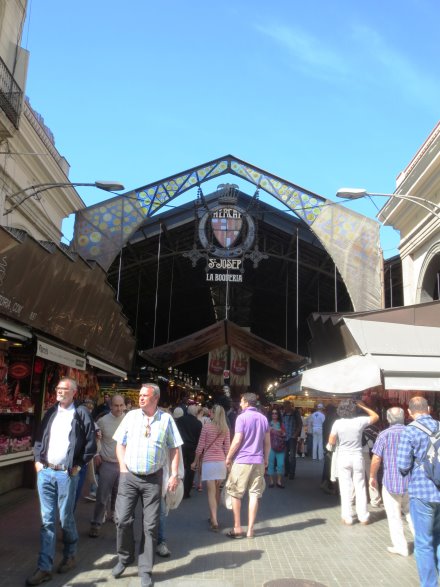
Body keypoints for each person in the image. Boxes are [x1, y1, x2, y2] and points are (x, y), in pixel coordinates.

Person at [26, 378, 97, 586]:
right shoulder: (51, 411)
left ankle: (70, 554)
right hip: (46, 472)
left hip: (66, 474)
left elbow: (91, 445)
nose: (59, 392)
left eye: (64, 389)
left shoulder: (81, 413)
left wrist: (77, 465)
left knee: (65, 518)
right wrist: (38, 461)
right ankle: (44, 567)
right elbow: (39, 438)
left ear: (74, 392)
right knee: (47, 521)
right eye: (58, 388)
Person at [112, 383, 183, 587]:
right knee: (122, 519)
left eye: (145, 395)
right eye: (140, 395)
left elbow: (175, 448)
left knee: (150, 526)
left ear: (155, 399)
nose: (141, 398)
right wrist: (122, 468)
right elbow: (120, 443)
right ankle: (125, 558)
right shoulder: (131, 416)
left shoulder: (166, 419)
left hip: (153, 479)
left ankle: (145, 569)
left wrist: (174, 475)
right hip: (130, 476)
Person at [397, 396, 440, 586]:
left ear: (409, 412)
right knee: (438, 538)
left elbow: (402, 465)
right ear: (429, 409)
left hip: (421, 492)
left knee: (423, 542)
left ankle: (429, 584)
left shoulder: (410, 431)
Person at [369, 407, 414, 557]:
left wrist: (372, 476)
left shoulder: (384, 435)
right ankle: (421, 544)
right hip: (411, 481)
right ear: (404, 417)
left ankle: (401, 547)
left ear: (388, 419)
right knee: (411, 514)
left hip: (390, 481)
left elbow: (376, 458)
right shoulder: (412, 433)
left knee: (394, 516)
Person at [225, 392, 270, 539]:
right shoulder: (263, 418)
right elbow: (267, 442)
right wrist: (266, 459)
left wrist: (229, 456)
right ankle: (250, 530)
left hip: (242, 461)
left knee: (236, 494)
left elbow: (237, 440)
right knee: (254, 495)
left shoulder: (241, 418)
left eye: (242, 401)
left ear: (246, 403)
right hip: (258, 461)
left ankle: (237, 528)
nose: (240, 404)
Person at [328, 399, 379, 526]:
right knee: (360, 486)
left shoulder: (337, 423)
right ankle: (363, 516)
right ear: (354, 410)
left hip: (343, 457)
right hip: (357, 457)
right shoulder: (360, 421)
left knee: (345, 488)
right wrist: (363, 406)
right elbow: (375, 416)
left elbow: (332, 441)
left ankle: (348, 517)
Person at [89, 394, 126, 537]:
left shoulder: (129, 420)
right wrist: (96, 455)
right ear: (110, 406)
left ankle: (114, 515)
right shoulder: (103, 421)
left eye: (121, 405)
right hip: (108, 463)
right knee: (102, 495)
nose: (119, 408)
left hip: (123, 464)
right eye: (116, 405)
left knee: (119, 494)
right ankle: (96, 523)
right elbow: (96, 439)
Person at [191, 404, 230, 531]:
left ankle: (214, 520)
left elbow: (200, 446)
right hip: (220, 462)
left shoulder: (206, 427)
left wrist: (195, 461)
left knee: (211, 493)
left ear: (213, 414)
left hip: (208, 462)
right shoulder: (225, 429)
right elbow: (227, 448)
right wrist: (228, 463)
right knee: (217, 491)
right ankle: (214, 517)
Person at [175, 404, 202, 498]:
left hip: (181, 446)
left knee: (179, 467)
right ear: (195, 412)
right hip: (192, 447)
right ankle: (186, 492)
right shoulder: (198, 423)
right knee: (190, 470)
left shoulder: (180, 420)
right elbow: (200, 439)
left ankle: (177, 489)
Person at [282, 400, 302, 479]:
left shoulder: (295, 413)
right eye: (284, 406)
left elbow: (300, 424)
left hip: (292, 437)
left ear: (290, 406)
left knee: (292, 456)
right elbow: (282, 424)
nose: (285, 408)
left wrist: (295, 434)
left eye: (286, 406)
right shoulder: (284, 413)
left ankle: (292, 473)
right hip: (285, 437)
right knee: (285, 456)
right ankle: (287, 471)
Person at [268, 407, 286, 488]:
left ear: (278, 415)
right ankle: (271, 481)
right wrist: (269, 430)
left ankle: (279, 481)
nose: (274, 414)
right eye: (273, 413)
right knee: (270, 463)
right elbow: (264, 435)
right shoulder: (268, 423)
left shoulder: (281, 424)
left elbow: (285, 434)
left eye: (276, 413)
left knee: (280, 464)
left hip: (280, 446)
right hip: (270, 446)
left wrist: (280, 431)